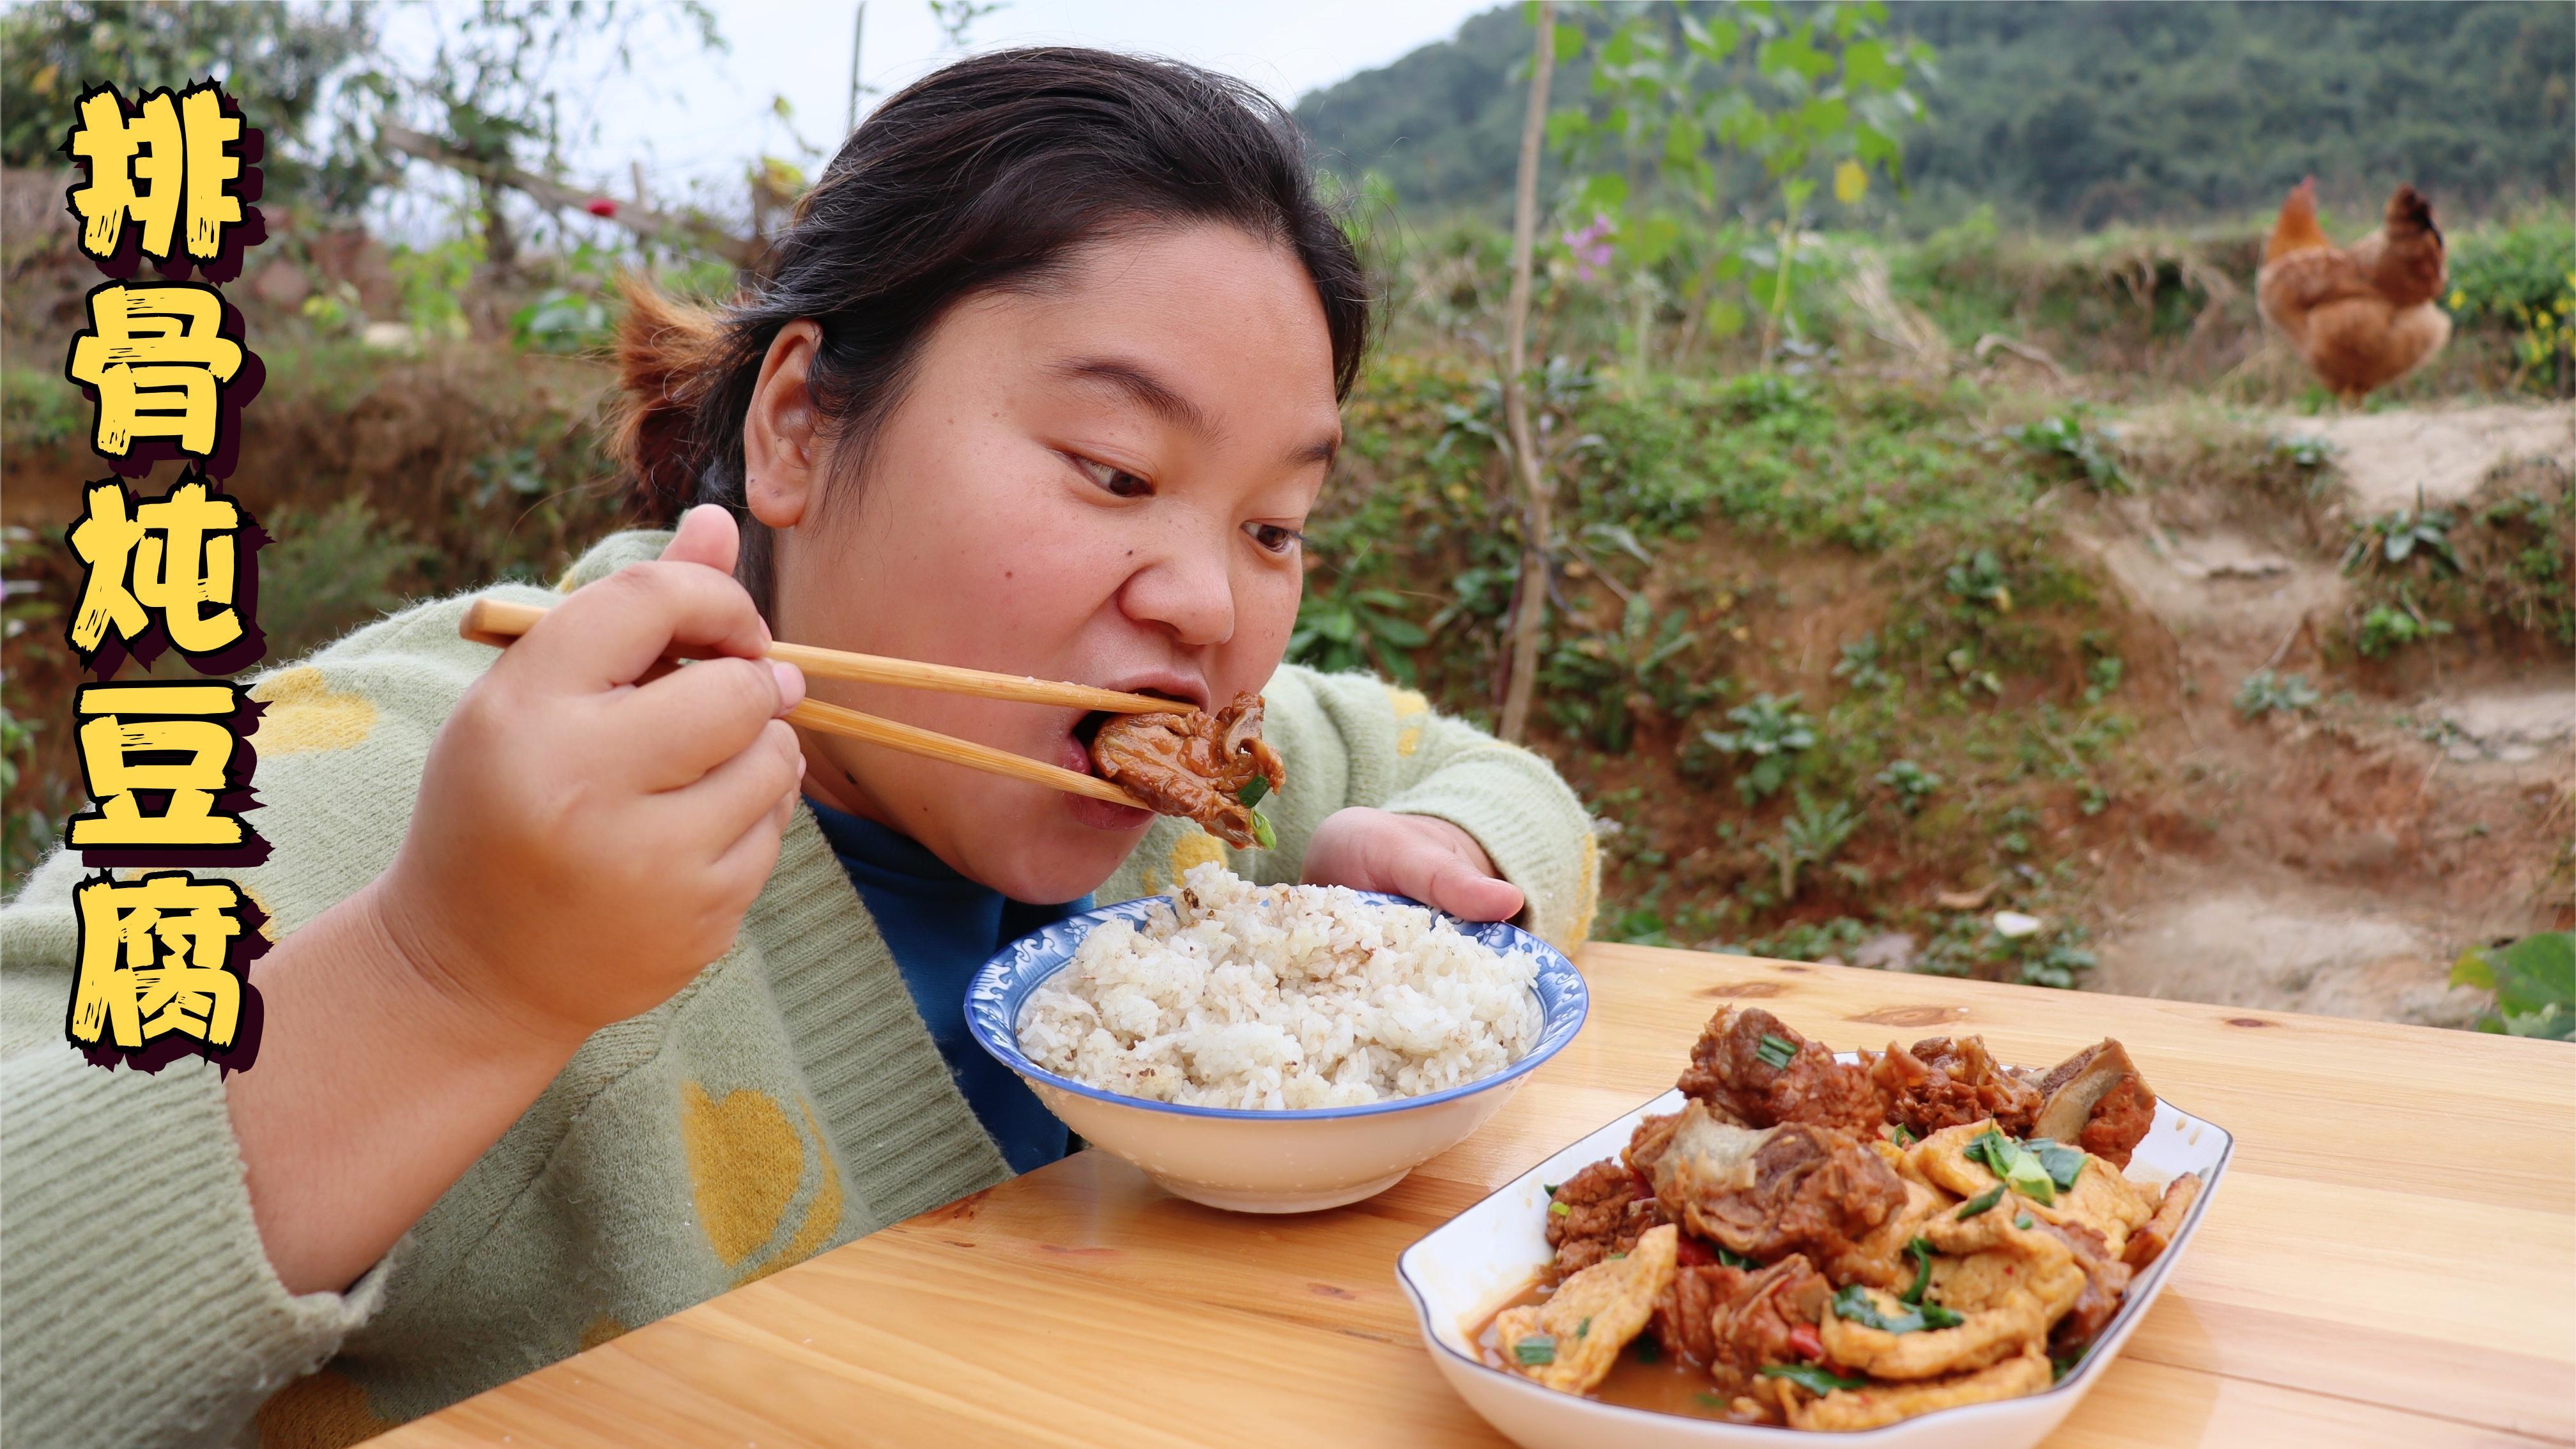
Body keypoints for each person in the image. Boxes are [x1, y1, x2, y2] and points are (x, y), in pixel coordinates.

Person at [0, 48, 1597, 1448]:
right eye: (1114, 472)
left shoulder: (1198, 807)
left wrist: (1429, 870)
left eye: (1274, 523)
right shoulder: (416, 779)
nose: (1206, 603)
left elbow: (1485, 779)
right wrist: (448, 977)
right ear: (797, 429)